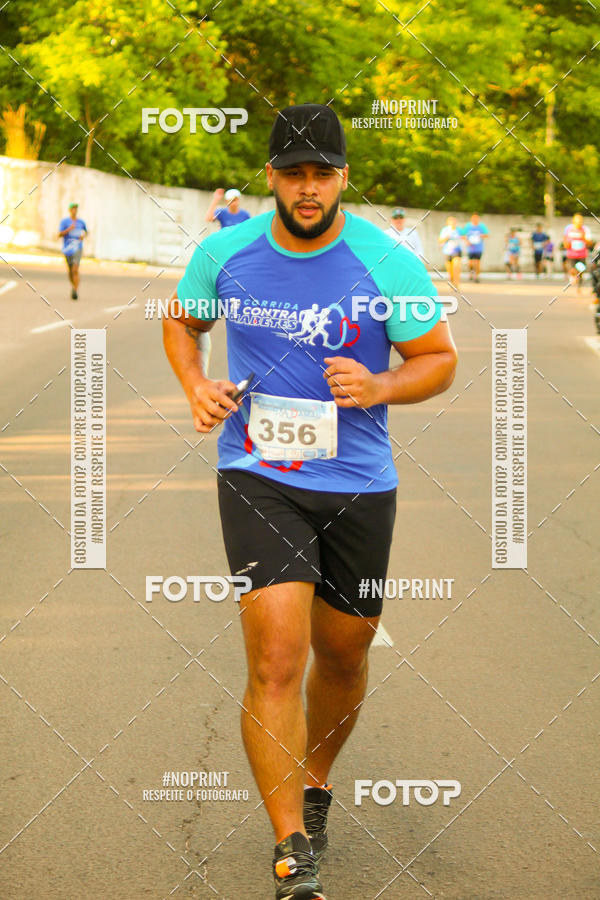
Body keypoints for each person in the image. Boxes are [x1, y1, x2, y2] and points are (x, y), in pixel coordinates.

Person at [163, 102, 458, 900]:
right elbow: (182, 324)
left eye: (320, 173)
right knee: (276, 657)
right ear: (270, 177)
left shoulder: (386, 261)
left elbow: (439, 358)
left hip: (360, 482)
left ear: (342, 178)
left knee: (345, 651)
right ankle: (292, 844)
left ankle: (315, 782)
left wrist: (382, 382)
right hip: (258, 473)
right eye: (292, 172)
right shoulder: (225, 252)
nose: (306, 187)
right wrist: (196, 384)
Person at [58, 202, 88, 300]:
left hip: (77, 248)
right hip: (67, 249)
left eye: (76, 209)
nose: (75, 210)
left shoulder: (81, 222)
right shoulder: (65, 222)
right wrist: (68, 230)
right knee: (70, 271)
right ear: (70, 210)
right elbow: (59, 235)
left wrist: (83, 236)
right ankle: (73, 285)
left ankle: (75, 290)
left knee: (75, 269)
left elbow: (86, 232)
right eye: (73, 209)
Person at [564, 213, 592, 292]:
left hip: (582, 254)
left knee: (581, 271)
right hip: (572, 254)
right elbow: (565, 241)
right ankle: (573, 276)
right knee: (573, 270)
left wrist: (584, 238)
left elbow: (589, 242)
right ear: (573, 221)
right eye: (577, 221)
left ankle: (579, 287)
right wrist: (567, 244)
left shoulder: (585, 229)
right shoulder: (568, 228)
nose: (579, 223)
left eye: (580, 221)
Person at [461, 213, 488, 282]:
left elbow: (486, 234)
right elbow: (463, 235)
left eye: (476, 218)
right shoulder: (468, 226)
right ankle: (471, 273)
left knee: (477, 262)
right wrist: (467, 241)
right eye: (473, 219)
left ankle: (477, 276)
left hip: (478, 248)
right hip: (470, 248)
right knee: (470, 263)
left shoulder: (482, 226)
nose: (475, 220)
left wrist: (481, 235)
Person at [438, 215, 462, 288]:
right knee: (450, 268)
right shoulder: (445, 230)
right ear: (448, 223)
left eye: (454, 221)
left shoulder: (459, 230)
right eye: (451, 221)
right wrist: (446, 237)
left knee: (456, 265)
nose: (453, 222)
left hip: (457, 250)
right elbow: (440, 240)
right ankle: (452, 279)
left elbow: (464, 237)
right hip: (447, 251)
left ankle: (456, 282)